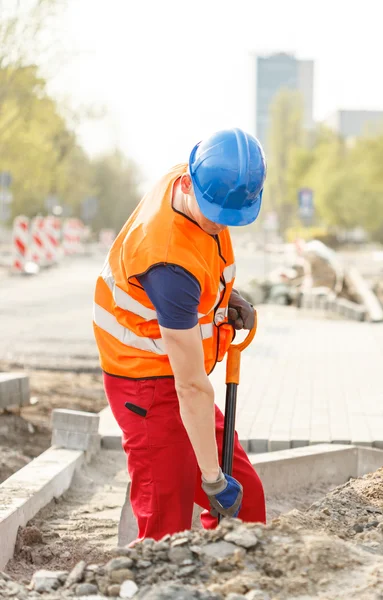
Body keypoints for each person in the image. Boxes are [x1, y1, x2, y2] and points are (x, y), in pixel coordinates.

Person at [93, 128, 267, 542]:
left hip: (178, 375)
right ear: (188, 184)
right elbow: (191, 387)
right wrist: (212, 478)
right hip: (146, 386)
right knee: (166, 522)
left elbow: (203, 263)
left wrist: (229, 297)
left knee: (247, 502)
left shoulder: (199, 182)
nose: (220, 224)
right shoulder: (168, 265)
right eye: (215, 213)